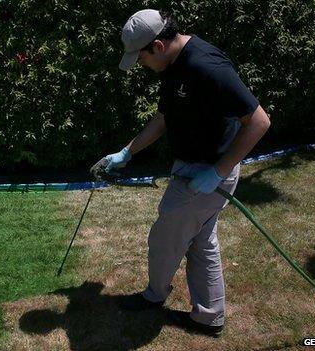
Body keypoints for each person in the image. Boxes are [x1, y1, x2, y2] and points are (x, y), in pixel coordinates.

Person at [93, 9, 271, 337]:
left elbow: (259, 121)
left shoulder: (206, 66)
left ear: (158, 46)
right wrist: (126, 153)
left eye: (141, 57)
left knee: (165, 237)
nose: (141, 65)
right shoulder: (173, 66)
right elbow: (164, 118)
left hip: (207, 174)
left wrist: (218, 171)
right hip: (190, 167)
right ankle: (209, 317)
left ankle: (154, 296)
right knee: (202, 242)